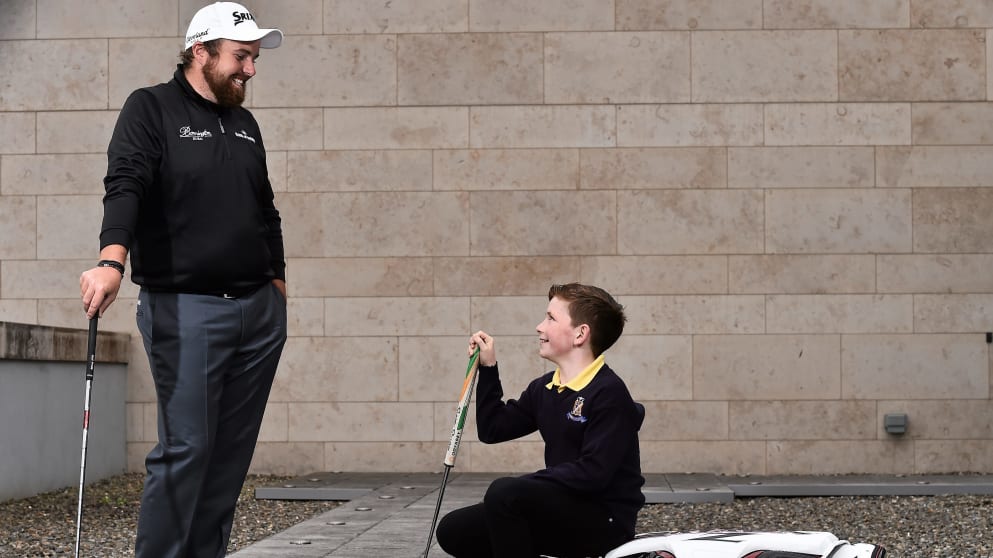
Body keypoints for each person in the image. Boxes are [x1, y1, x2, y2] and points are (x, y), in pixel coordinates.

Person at [78, 3, 287, 556]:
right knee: (187, 450)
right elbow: (126, 183)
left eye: (254, 58)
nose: (251, 69)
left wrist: (278, 285)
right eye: (242, 56)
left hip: (259, 314)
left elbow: (266, 210)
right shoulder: (150, 109)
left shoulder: (245, 123)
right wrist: (111, 260)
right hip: (186, 308)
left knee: (229, 458)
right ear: (202, 52)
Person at [436, 283, 645, 558]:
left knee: (506, 494)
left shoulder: (609, 392)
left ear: (580, 334)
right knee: (454, 530)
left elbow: (593, 474)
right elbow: (493, 429)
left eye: (550, 318)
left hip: (604, 521)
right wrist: (488, 368)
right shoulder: (546, 388)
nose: (539, 326)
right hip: (565, 507)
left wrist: (525, 485)